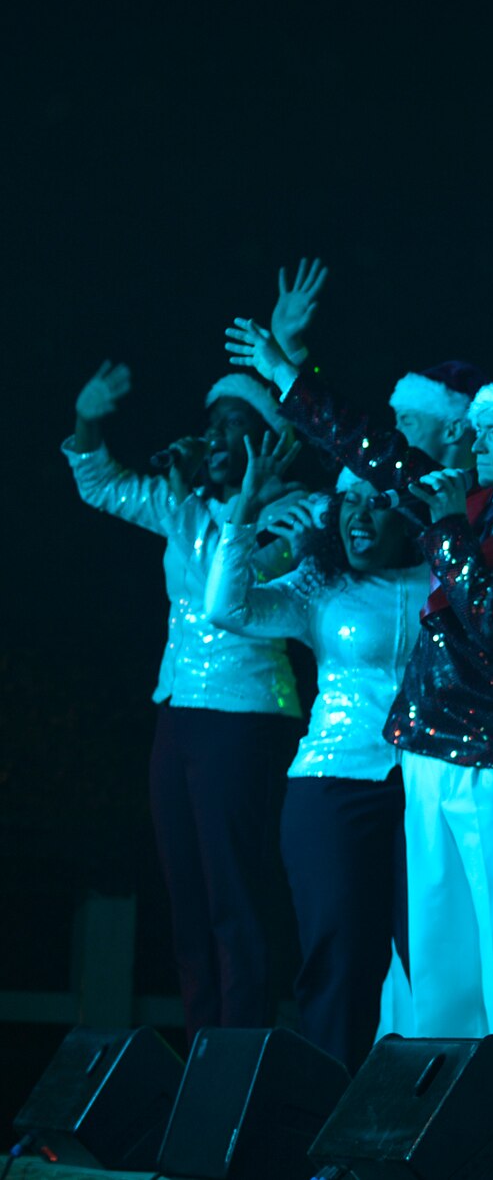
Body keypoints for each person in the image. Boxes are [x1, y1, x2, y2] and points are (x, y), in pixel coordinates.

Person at [223, 318, 493, 1120]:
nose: (474, 442)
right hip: (428, 756)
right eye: (474, 430)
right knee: (433, 961)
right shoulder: (468, 507)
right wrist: (290, 377)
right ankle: (435, 1128)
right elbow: (374, 451)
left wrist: (445, 531)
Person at [64, 359, 304, 1040]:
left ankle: (240, 1061)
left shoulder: (290, 513)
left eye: (236, 425)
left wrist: (240, 501)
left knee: (236, 896)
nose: (217, 437)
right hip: (179, 709)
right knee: (188, 897)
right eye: (213, 425)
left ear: (265, 440)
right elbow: (101, 483)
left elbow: (235, 589)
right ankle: (204, 1053)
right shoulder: (185, 507)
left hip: (246, 711)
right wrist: (87, 418)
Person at [206, 455, 427, 1073]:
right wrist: (243, 516)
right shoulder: (320, 584)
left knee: (429, 957)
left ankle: (419, 1131)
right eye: (348, 500)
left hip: (429, 787)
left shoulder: (443, 576)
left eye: (376, 501)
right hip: (332, 788)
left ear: (406, 512)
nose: (359, 514)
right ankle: (327, 1137)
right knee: (339, 963)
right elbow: (230, 610)